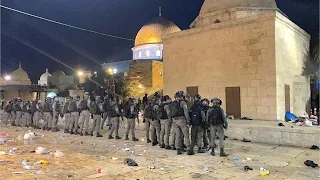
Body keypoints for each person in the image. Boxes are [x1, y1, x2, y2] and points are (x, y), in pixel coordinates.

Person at [171, 91, 193, 155]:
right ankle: (189, 149)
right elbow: (186, 112)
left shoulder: (173, 103)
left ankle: (178, 149)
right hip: (182, 120)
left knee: (178, 135)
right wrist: (188, 120)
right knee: (186, 135)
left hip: (175, 121)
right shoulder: (183, 103)